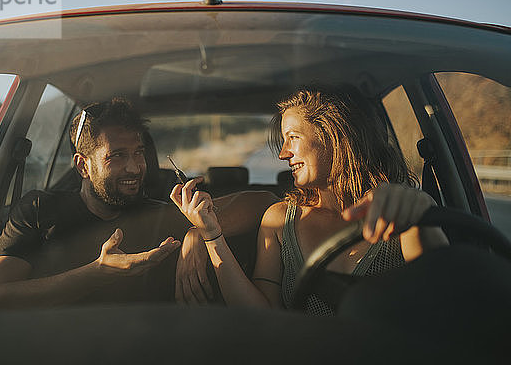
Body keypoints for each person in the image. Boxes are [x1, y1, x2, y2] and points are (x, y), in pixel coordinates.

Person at [0, 98, 277, 311]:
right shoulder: (39, 211)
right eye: (117, 156)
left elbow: (264, 201)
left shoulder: (161, 214)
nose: (135, 167)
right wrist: (99, 271)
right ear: (83, 166)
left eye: (138, 153)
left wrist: (199, 232)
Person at [171, 88, 448, 314]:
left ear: (334, 137)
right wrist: (211, 235)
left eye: (292, 138)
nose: (283, 154)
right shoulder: (280, 219)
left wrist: (421, 214)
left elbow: (445, 300)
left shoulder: (400, 210)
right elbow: (264, 318)